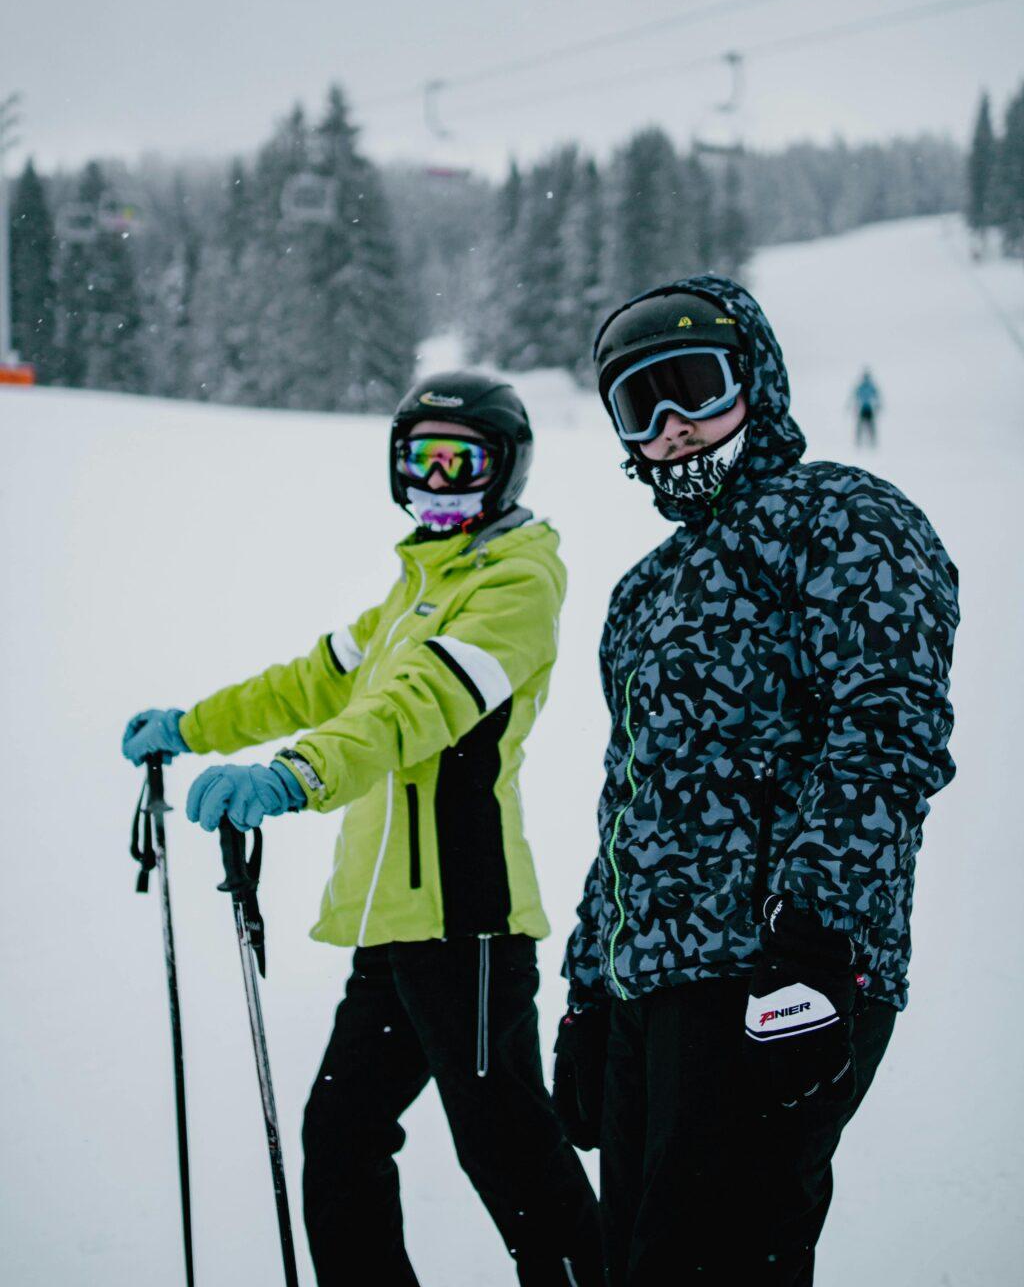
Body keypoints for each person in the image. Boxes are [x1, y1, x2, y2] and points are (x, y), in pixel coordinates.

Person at [122, 370, 602, 1287]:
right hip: (392, 928)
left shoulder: (516, 584)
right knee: (339, 1140)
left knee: (507, 1151)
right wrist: (192, 727)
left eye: (466, 462)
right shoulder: (416, 589)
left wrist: (294, 775)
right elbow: (311, 683)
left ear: (507, 473)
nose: (441, 481)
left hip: (467, 921)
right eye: (423, 459)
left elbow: (409, 713)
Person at [552, 281, 958, 1285]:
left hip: (770, 968)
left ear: (758, 383)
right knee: (633, 1262)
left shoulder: (841, 518)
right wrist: (589, 990)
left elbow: (885, 732)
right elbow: (628, 804)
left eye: (696, 389)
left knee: (712, 1259)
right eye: (640, 409)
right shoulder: (642, 589)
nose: (674, 429)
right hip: (653, 987)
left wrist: (817, 941)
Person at [850, 366, 882, 446]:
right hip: (863, 408)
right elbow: (855, 396)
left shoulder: (870, 386)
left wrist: (878, 405)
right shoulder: (861, 387)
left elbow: (876, 396)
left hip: (868, 408)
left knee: (870, 426)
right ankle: (859, 442)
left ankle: (872, 442)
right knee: (861, 426)